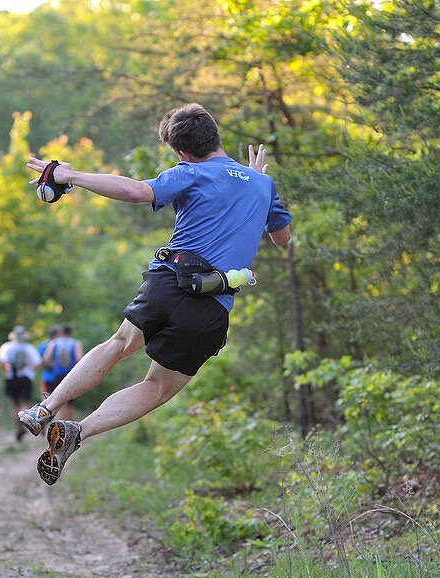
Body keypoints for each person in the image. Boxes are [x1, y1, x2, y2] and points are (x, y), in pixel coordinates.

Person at [21, 103, 291, 485]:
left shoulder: (190, 172)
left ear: (181, 152)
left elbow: (135, 190)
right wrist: (256, 184)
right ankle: (79, 432)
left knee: (118, 344)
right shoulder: (262, 184)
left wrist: (70, 175)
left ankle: (46, 409)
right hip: (212, 304)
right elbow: (283, 239)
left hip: (169, 280)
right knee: (157, 387)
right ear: (215, 135)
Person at [0, 325, 41, 441]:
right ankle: (27, 426)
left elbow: (2, 363)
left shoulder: (6, 347)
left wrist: (8, 370)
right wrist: (29, 367)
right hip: (25, 378)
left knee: (15, 405)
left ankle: (18, 430)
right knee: (25, 403)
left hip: (12, 378)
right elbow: (37, 363)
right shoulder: (29, 348)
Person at [41, 323, 84, 421]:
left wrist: (52, 366)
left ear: (61, 332)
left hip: (57, 375)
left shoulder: (54, 343)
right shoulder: (76, 343)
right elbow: (79, 359)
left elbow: (46, 359)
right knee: (70, 403)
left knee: (58, 402)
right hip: (71, 376)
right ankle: (69, 426)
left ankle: (58, 426)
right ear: (71, 332)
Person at [37, 324, 62, 399]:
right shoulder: (63, 344)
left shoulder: (44, 344)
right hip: (61, 376)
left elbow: (38, 361)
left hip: (47, 376)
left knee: (46, 400)